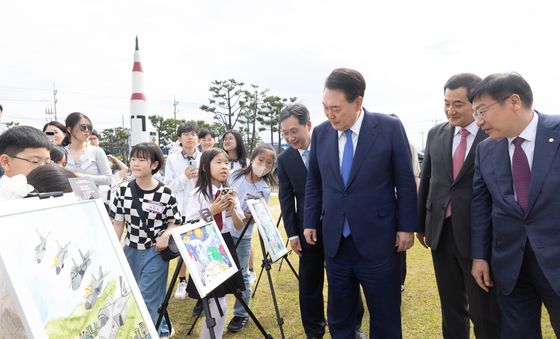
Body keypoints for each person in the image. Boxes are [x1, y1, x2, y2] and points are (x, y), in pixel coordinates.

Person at [304, 68, 417, 338]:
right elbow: (314, 183)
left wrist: (406, 227)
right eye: (325, 107)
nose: (330, 114)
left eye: (336, 108)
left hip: (379, 240)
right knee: (340, 317)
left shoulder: (388, 128)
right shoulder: (321, 134)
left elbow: (405, 180)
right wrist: (310, 221)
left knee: (385, 316)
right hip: (336, 243)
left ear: (357, 102)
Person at [470, 73, 560, 338]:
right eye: (475, 113)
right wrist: (480, 256)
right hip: (511, 264)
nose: (479, 121)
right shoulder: (486, 149)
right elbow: (480, 206)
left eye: (482, 111)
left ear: (514, 101)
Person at [417, 73, 501, 339]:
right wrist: (420, 223)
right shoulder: (436, 134)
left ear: (475, 102)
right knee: (450, 306)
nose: (450, 110)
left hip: (478, 237)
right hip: (441, 233)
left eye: (458, 104)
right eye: (446, 103)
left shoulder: (492, 136)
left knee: (483, 309)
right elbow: (427, 179)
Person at [109, 142, 182, 339]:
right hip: (131, 250)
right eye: (133, 159)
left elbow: (175, 222)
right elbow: (117, 224)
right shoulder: (122, 190)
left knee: (147, 296)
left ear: (154, 165)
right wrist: (115, 250)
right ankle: (164, 330)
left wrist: (165, 236)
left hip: (155, 252)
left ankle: (151, 334)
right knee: (136, 295)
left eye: (142, 160)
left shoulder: (165, 192)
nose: (135, 164)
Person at [183, 148, 246, 339]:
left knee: (221, 300)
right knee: (215, 301)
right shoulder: (198, 193)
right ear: (205, 166)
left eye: (226, 162)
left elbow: (238, 224)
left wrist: (233, 208)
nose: (224, 166)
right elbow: (189, 225)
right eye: (218, 162)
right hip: (205, 246)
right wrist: (213, 209)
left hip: (224, 243)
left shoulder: (230, 193)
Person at [277, 103, 328, 338]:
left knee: (344, 280)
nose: (290, 137)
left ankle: (350, 325)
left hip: (337, 226)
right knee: (309, 285)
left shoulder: (328, 146)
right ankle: (314, 330)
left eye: (294, 131)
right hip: (306, 231)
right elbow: (286, 198)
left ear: (308, 124)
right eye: (285, 133)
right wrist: (293, 233)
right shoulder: (285, 158)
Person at [226, 143, 278, 333]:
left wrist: (236, 211)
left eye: (269, 163)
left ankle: (241, 314)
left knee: (242, 275)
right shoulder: (236, 174)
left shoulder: (264, 188)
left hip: (243, 235)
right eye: (261, 160)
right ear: (253, 159)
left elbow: (256, 216)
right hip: (223, 229)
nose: (263, 165)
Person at [164, 121, 202, 301]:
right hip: (180, 210)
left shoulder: (206, 157)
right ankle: (181, 281)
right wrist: (184, 177)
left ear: (198, 138)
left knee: (198, 247)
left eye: (193, 134)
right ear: (179, 139)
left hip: (199, 210)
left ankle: (199, 282)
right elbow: (168, 186)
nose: (190, 137)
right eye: (186, 134)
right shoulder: (172, 160)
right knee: (181, 249)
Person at [389, 113, 421, 292]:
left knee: (400, 244)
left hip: (401, 201)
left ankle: (400, 280)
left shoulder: (409, 146)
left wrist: (413, 207)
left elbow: (414, 177)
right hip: (384, 202)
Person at [62, 112, 113, 186]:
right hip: (67, 196)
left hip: (93, 197)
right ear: (69, 130)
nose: (87, 130)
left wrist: (82, 177)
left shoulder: (97, 151)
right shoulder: (62, 152)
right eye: (82, 127)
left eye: (89, 127)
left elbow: (109, 179)